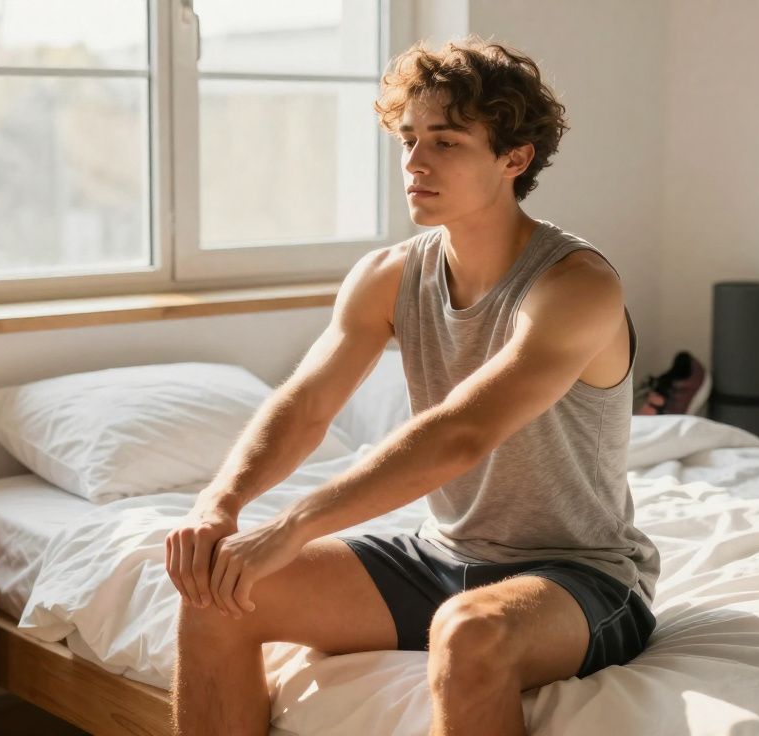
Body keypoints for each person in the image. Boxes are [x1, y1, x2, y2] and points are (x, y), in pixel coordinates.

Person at [166, 35, 660, 736]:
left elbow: (462, 432)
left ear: (513, 158)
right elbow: (305, 405)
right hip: (439, 554)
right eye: (409, 139)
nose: (415, 163)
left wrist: (292, 525)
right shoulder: (389, 275)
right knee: (217, 594)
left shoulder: (576, 285)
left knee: (468, 634)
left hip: (579, 577)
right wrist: (222, 502)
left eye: (447, 142)